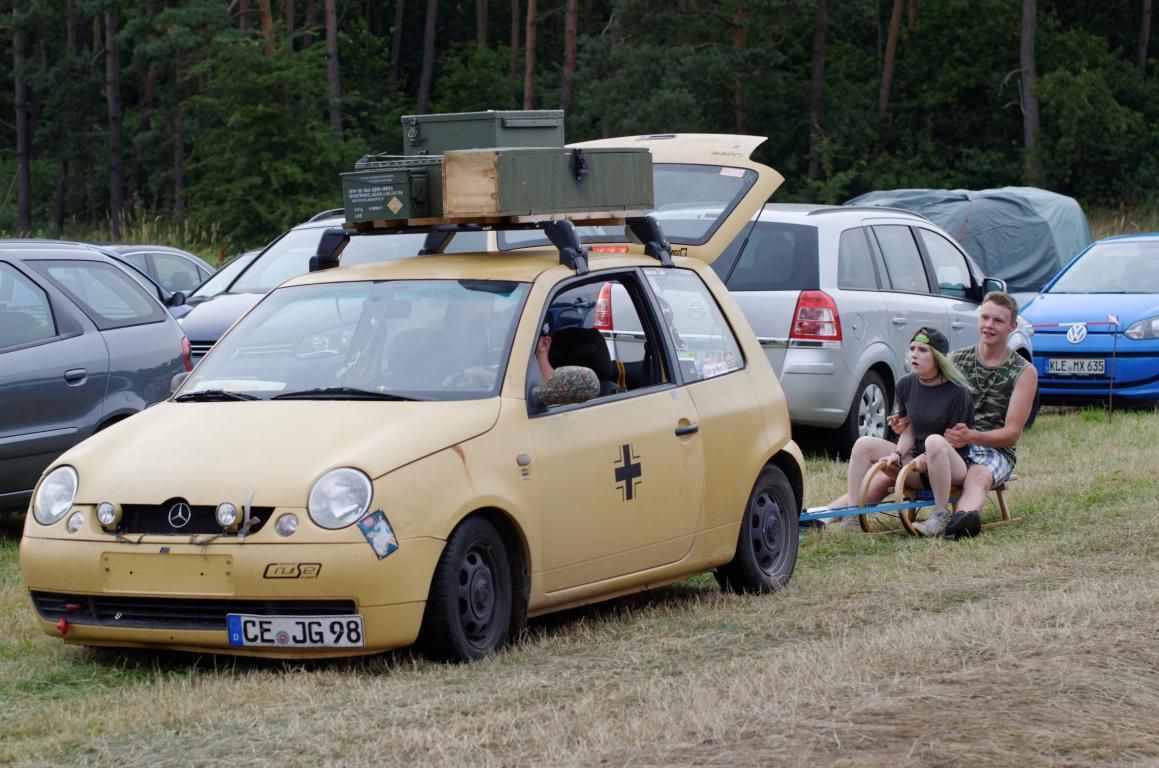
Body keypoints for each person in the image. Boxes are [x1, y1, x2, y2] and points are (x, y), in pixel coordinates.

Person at [816, 291, 1038, 537]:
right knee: (884, 476)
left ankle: (962, 521)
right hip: (941, 443)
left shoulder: (1023, 371)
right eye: (985, 317)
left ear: (1012, 326)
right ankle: (823, 515)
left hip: (990, 448)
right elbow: (926, 406)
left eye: (998, 320)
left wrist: (971, 436)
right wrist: (906, 423)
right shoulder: (956, 359)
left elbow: (1011, 434)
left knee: (978, 476)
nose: (989, 325)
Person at [825, 327, 974, 536]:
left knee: (934, 441)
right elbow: (910, 429)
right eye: (912, 349)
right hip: (915, 467)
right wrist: (898, 453)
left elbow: (954, 440)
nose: (914, 354)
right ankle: (854, 515)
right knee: (863, 444)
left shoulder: (959, 392)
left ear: (938, 357)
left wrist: (926, 455)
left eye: (923, 350)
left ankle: (941, 515)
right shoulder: (905, 384)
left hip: (951, 466)